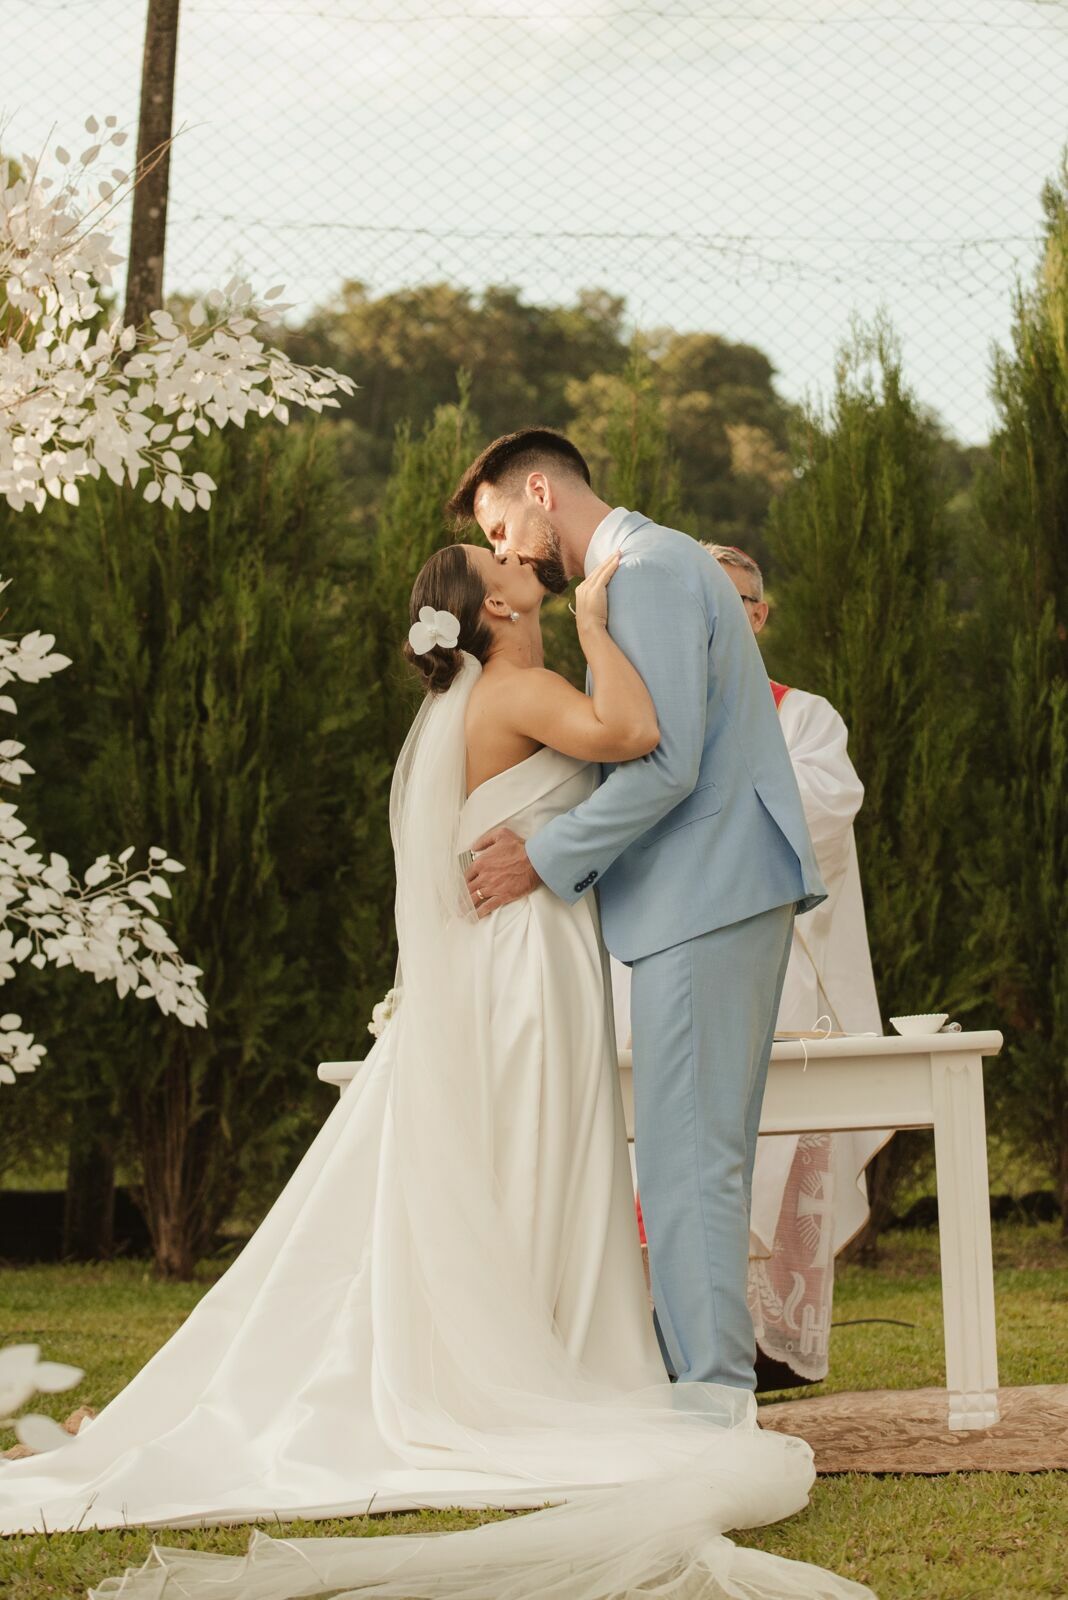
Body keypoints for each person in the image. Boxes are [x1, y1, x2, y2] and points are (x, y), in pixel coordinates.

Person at [0, 532, 869, 1600]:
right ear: (491, 608)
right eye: (494, 560)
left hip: (523, 950)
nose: (515, 558)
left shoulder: (478, 692)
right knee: (535, 1148)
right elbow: (638, 733)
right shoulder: (517, 683)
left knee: (515, 1156)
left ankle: (528, 1338)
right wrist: (601, 626)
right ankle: (529, 1359)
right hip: (526, 961)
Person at [455, 430, 826, 1397]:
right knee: (701, 1157)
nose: (511, 551)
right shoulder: (645, 568)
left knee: (683, 1164)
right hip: (716, 890)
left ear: (540, 490)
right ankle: (708, 1386)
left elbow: (665, 762)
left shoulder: (650, 571)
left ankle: (708, 1405)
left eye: (502, 526)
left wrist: (542, 856)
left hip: (704, 890)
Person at [710, 544, 889, 1388]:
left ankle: (773, 1351)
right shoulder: (646, 711)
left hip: (787, 975)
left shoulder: (803, 715)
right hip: (682, 974)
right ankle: (681, 1340)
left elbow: (822, 815)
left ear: (760, 613)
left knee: (784, 1161)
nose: (723, 614)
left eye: (738, 599)